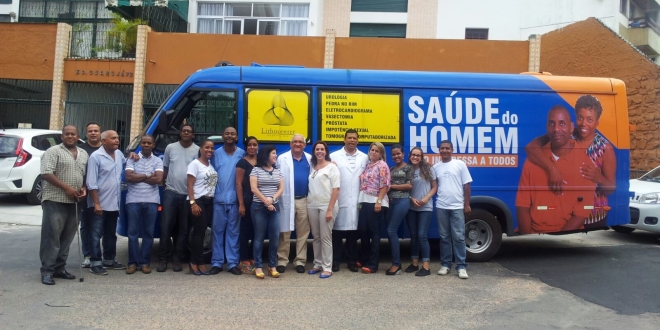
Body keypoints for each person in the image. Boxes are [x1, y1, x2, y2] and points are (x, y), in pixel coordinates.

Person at [524, 95, 616, 228]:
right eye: (580, 117)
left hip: (592, 216)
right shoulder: (564, 134)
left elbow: (611, 189)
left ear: (597, 122)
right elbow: (530, 148)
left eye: (590, 119)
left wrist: (598, 177)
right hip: (565, 215)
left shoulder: (604, 148)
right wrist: (552, 168)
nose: (584, 123)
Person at [517, 106, 597, 234]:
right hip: (533, 236)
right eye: (552, 124)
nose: (556, 129)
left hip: (567, 239)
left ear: (571, 127)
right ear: (547, 128)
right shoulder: (533, 160)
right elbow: (522, 206)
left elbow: (581, 214)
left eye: (562, 124)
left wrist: (556, 242)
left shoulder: (586, 166)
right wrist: (529, 242)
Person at [39, 125, 88, 285]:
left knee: (67, 237)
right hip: (55, 199)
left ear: (78, 136)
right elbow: (46, 173)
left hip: (74, 201)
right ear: (62, 136)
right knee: (52, 237)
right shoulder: (53, 151)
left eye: (73, 134)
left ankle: (60, 268)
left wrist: (83, 188)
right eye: (66, 134)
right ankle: (47, 271)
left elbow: (84, 175)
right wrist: (67, 188)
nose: (70, 136)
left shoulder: (84, 154)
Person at [159, 124, 199, 272]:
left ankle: (177, 259)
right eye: (184, 131)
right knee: (165, 228)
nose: (186, 133)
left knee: (183, 229)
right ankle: (163, 260)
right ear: (180, 133)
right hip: (171, 192)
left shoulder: (197, 150)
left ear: (193, 135)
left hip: (188, 195)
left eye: (189, 131)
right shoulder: (170, 147)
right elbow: (166, 169)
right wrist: (165, 186)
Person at [87, 130, 126, 275]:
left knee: (111, 234)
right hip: (100, 204)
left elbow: (125, 164)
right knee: (96, 234)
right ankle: (95, 262)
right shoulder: (96, 157)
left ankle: (109, 260)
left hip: (114, 203)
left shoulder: (119, 154)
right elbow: (91, 183)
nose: (117, 140)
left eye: (117, 138)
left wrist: (133, 156)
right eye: (113, 138)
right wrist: (96, 203)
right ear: (103, 141)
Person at [124, 135, 163, 275]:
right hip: (133, 200)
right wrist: (148, 175)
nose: (146, 145)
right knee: (132, 233)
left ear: (153, 145)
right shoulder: (132, 158)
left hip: (152, 200)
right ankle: (132, 263)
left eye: (149, 143)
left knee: (148, 233)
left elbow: (158, 179)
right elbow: (128, 177)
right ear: (141, 144)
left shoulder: (158, 160)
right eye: (144, 142)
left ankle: (145, 263)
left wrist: (138, 176)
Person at [330, 129, 368, 272]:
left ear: (357, 141)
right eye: (349, 138)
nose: (352, 140)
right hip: (340, 199)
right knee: (337, 234)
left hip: (357, 200)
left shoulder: (364, 157)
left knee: (353, 234)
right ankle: (335, 261)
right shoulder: (334, 156)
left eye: (354, 138)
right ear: (344, 139)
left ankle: (351, 261)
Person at [433, 140, 472, 279]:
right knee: (444, 238)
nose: (444, 150)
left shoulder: (459, 164)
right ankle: (446, 265)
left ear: (452, 149)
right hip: (441, 206)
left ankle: (461, 266)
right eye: (442, 148)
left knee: (459, 237)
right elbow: (434, 186)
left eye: (447, 148)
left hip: (457, 207)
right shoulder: (435, 167)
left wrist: (466, 204)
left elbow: (466, 185)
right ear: (439, 150)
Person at [210, 127, 245, 275]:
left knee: (233, 232)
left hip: (235, 200)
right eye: (227, 133)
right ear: (222, 136)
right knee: (217, 232)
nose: (229, 136)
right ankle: (217, 262)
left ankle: (232, 263)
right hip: (218, 199)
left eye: (232, 134)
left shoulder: (241, 154)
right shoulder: (215, 154)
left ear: (236, 137)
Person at [276, 134, 312, 274]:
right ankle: (282, 261)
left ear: (304, 145)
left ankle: (300, 261)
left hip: (304, 200)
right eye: (295, 142)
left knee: (303, 232)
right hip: (286, 200)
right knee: (284, 231)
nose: (298, 144)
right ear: (290, 144)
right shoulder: (282, 158)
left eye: (300, 142)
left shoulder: (310, 159)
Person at [306, 141, 340, 279]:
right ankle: (317, 264)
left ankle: (327, 268)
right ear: (314, 151)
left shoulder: (332, 167)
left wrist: (330, 209)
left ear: (326, 151)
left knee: (326, 237)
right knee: (316, 237)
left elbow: (336, 189)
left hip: (327, 205)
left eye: (322, 149)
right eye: (317, 149)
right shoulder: (313, 167)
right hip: (312, 205)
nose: (319, 151)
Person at [250, 145, 284, 279]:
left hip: (274, 207)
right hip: (259, 207)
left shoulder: (278, 171)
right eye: (274, 154)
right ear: (266, 155)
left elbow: (281, 188)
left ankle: (272, 266)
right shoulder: (255, 170)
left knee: (275, 238)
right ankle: (258, 267)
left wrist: (272, 199)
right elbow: (254, 188)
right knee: (259, 238)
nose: (276, 156)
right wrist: (266, 201)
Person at [358, 142, 390, 274]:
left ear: (381, 153)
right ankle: (365, 259)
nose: (374, 152)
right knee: (363, 231)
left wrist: (379, 201)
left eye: (377, 151)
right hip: (364, 200)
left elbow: (385, 185)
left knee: (374, 232)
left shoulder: (382, 165)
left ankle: (373, 264)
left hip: (375, 201)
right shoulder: (368, 165)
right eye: (372, 150)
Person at [187, 140, 218, 275]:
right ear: (201, 149)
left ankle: (197, 261)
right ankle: (196, 262)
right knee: (199, 233)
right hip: (198, 201)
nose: (209, 150)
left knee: (203, 231)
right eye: (207, 147)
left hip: (209, 201)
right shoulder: (195, 164)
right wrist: (193, 203)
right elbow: (189, 185)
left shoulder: (210, 165)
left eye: (212, 148)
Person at [405, 147, 437, 277]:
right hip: (411, 207)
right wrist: (411, 199)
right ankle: (414, 263)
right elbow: (405, 189)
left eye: (418, 155)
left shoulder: (429, 169)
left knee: (422, 235)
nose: (415, 157)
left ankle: (426, 266)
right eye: (413, 155)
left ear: (421, 157)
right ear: (410, 156)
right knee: (413, 235)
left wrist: (426, 198)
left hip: (425, 207)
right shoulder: (407, 169)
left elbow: (435, 186)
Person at [385, 144, 413, 276]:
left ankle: (396, 264)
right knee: (390, 232)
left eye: (398, 154)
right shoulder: (390, 169)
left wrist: (392, 186)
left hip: (403, 201)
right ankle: (395, 262)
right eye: (394, 154)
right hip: (391, 202)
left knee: (391, 230)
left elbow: (409, 185)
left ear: (403, 154)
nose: (396, 156)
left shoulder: (409, 168)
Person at [78, 121, 101, 269]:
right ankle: (87, 255)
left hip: (103, 194)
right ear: (86, 134)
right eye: (90, 131)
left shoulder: (107, 149)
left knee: (100, 226)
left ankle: (99, 255)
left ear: (100, 133)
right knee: (85, 225)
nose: (93, 133)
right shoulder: (80, 150)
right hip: (84, 194)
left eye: (96, 131)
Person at [235, 136, 258, 274]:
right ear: (246, 147)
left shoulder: (261, 162)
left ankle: (252, 257)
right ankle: (243, 260)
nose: (252, 147)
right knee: (245, 232)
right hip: (247, 201)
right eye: (249, 145)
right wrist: (241, 204)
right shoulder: (242, 163)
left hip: (258, 202)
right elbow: (238, 184)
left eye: (254, 145)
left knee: (256, 232)